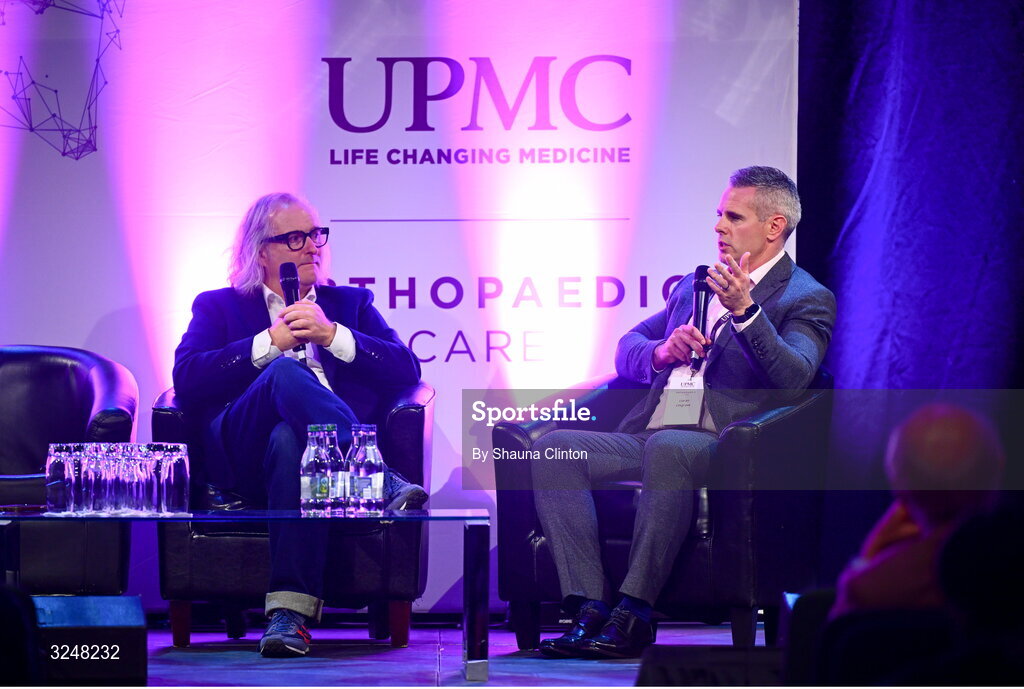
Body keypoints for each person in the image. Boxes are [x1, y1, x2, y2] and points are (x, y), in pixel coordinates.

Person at [532, 166, 836, 658]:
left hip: (726, 443)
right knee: (554, 449)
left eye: (733, 217)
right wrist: (661, 352)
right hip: (653, 431)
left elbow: (796, 377)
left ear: (774, 227)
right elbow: (627, 345)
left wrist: (746, 313)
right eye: (719, 214)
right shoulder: (693, 285)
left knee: (672, 447)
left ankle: (635, 611)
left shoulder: (806, 297)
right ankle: (589, 608)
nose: (718, 226)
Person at [172, 192, 427, 657]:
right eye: (295, 238)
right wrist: (269, 342)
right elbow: (187, 378)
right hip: (239, 452)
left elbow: (406, 370)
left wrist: (333, 335)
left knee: (291, 439)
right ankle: (374, 476)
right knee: (287, 370)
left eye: (315, 235)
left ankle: (287, 615)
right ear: (261, 250)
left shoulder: (349, 304)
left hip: (309, 462)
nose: (312, 246)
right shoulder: (219, 307)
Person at [829, 403, 1004, 619]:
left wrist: (867, 561)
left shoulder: (871, 590)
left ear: (898, 488)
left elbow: (835, 640)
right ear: (999, 467)